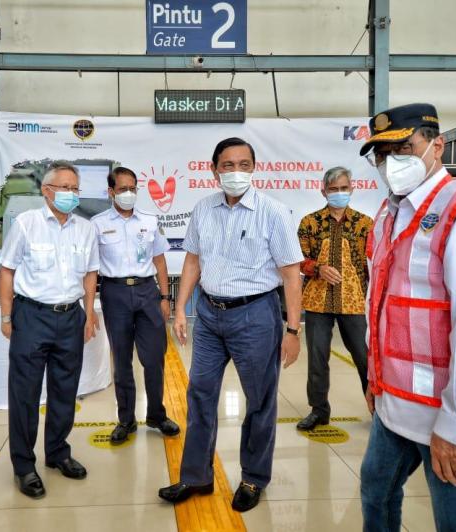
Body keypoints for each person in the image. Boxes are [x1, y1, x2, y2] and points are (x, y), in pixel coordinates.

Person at [359, 104, 456, 532]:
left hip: (450, 415)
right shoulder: (389, 214)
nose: (392, 163)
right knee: (376, 492)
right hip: (396, 403)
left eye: (404, 147)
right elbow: (383, 306)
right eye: (382, 154)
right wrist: (376, 379)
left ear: (437, 145)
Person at [158, 137, 304, 513]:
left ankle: (254, 477)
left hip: (256, 316)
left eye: (243, 164)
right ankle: (196, 476)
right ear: (214, 169)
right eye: (227, 164)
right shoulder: (203, 209)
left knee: (260, 400)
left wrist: (292, 330)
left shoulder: (273, 212)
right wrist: (179, 311)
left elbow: (291, 276)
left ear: (253, 168)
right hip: (208, 315)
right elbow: (192, 262)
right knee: (200, 394)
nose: (235, 171)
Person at [0, 160, 100, 499]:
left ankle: (58, 453)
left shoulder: (85, 228)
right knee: (24, 394)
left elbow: (90, 274)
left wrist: (88, 313)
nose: (71, 194)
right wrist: (6, 316)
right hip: (31, 317)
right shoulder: (26, 224)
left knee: (64, 391)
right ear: (46, 190)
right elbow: (8, 271)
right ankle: (24, 465)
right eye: (65, 187)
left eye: (75, 188)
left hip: (70, 317)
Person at [91, 167, 180, 444]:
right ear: (110, 192)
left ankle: (156, 414)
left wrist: (165, 298)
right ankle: (126, 420)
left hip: (147, 293)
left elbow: (160, 261)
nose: (128, 194)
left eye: (132, 188)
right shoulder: (96, 223)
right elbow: (92, 268)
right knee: (122, 361)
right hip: (114, 293)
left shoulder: (150, 221)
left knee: (154, 358)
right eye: (122, 189)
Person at [296, 166, 372, 431]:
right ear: (323, 191)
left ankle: (379, 411)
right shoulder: (309, 222)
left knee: (364, 357)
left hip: (354, 301)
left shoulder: (365, 224)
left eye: (343, 188)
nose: (339, 193)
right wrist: (318, 268)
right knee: (317, 356)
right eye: (333, 189)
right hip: (318, 301)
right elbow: (297, 260)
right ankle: (318, 411)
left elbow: (373, 265)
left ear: (352, 189)